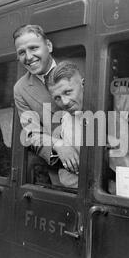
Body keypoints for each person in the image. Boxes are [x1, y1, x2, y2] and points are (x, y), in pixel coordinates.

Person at [46, 61, 129, 197]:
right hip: (107, 202)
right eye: (57, 98)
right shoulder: (66, 121)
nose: (65, 102)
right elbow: (66, 172)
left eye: (68, 92)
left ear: (84, 84)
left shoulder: (120, 97)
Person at [13, 25, 79, 184]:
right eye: (22, 52)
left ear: (48, 46)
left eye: (33, 48)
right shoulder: (20, 89)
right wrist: (58, 145)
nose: (28, 57)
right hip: (64, 174)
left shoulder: (79, 66)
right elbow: (32, 134)